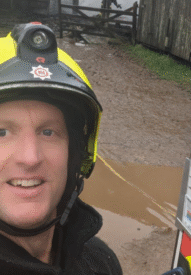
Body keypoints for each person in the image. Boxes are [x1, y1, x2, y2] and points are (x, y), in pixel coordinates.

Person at [0, 22, 123, 274]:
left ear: (76, 155)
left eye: (48, 132)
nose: (30, 157)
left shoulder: (101, 263)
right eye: (2, 132)